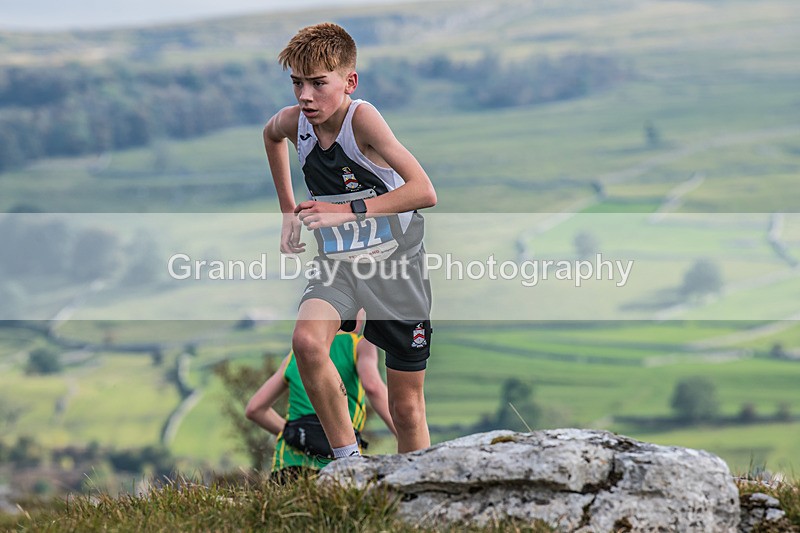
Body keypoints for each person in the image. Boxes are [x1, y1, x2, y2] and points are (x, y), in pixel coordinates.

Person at [263, 22, 436, 458]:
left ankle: (418, 493)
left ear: (349, 82)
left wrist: (345, 210)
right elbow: (271, 135)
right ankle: (348, 464)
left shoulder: (363, 120)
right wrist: (288, 209)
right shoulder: (296, 122)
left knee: (406, 408)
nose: (305, 96)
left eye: (318, 83)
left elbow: (424, 191)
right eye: (297, 83)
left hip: (396, 269)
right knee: (305, 342)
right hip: (339, 265)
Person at [245, 315, 396, 477]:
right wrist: (404, 436)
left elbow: (255, 409)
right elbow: (373, 387)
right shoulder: (359, 345)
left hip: (288, 464)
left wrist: (297, 434)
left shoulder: (298, 353)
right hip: (340, 462)